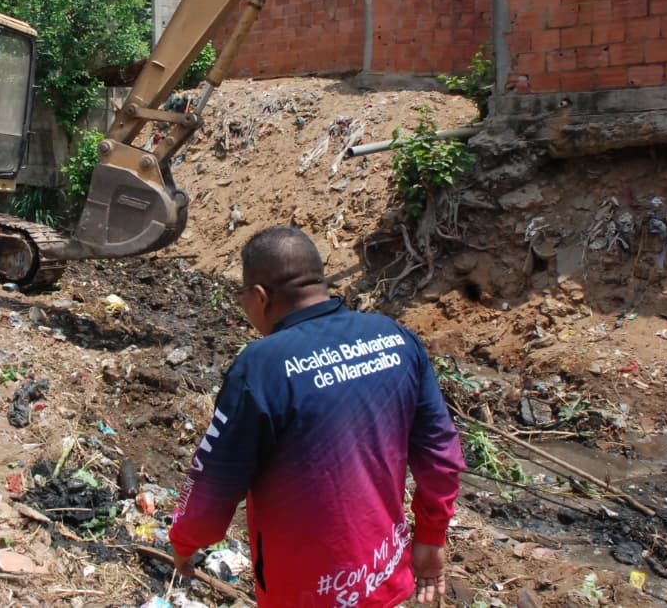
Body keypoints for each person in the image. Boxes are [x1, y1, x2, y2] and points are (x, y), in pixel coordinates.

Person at [169, 225, 465, 607]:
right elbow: (442, 456)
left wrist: (185, 540)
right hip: (384, 574)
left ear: (259, 296)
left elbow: (213, 479)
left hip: (305, 592)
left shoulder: (262, 367)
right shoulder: (394, 338)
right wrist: (430, 537)